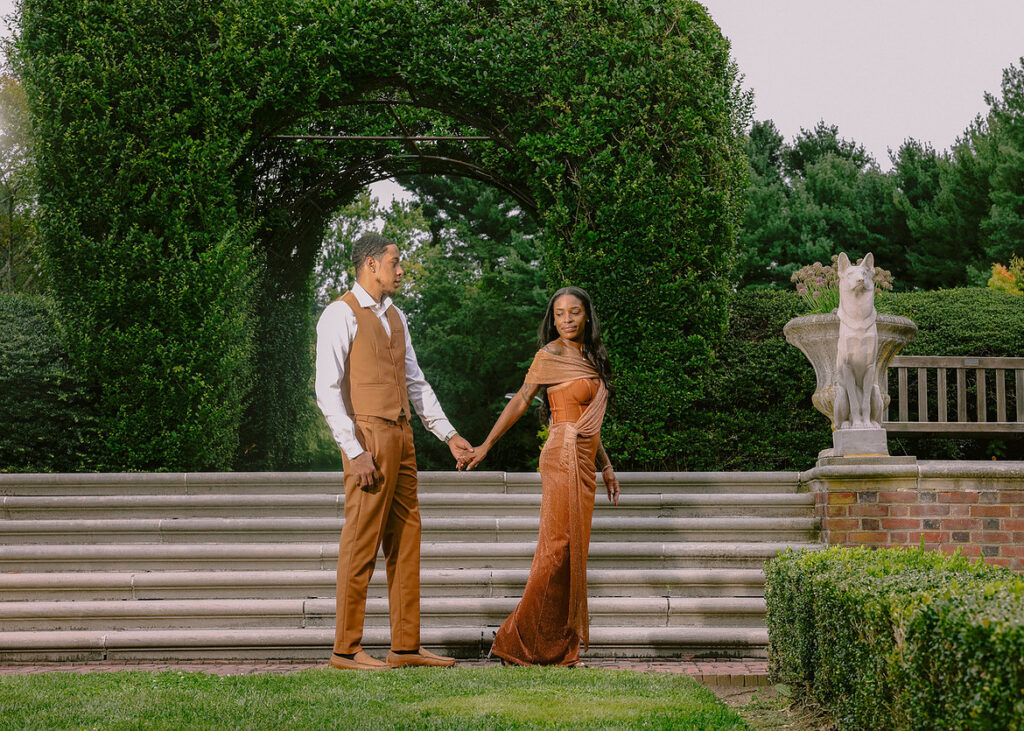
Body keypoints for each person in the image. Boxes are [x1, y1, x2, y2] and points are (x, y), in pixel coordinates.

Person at [315, 232, 475, 670]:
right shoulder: (339, 314)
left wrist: (448, 434)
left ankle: (405, 647)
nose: (400, 270)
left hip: (402, 436)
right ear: (371, 265)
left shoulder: (396, 316)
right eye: (395, 263)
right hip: (368, 439)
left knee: (407, 541)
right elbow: (326, 390)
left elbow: (416, 383)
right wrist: (353, 449)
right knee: (361, 542)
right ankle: (345, 649)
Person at [463, 286, 620, 666]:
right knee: (557, 549)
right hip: (562, 455)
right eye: (560, 314)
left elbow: (587, 422)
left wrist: (606, 464)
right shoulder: (549, 355)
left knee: (573, 554)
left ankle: (559, 648)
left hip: (583, 457)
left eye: (574, 312)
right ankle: (513, 641)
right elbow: (521, 399)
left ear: (587, 316)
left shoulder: (592, 359)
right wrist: (485, 445)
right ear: (552, 319)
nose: (566, 320)